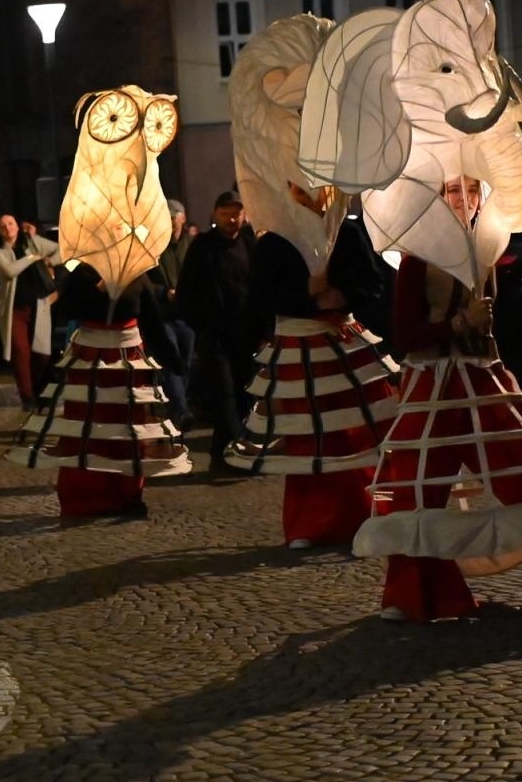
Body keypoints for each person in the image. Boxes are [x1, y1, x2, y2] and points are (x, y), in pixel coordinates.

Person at [355, 175, 522, 622]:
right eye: (454, 192)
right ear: (438, 198)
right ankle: (414, 593)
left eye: (472, 191)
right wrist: (460, 323)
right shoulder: (419, 256)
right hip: (435, 389)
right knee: (419, 494)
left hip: (482, 380)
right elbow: (404, 335)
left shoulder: (484, 248)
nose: (465, 200)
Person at [228, 187, 399, 547]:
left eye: (315, 189)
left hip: (344, 343)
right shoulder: (276, 240)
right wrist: (307, 291)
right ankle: (310, 523)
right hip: (299, 346)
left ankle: (366, 510)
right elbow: (261, 298)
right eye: (299, 190)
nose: (308, 197)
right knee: (306, 436)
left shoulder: (347, 232)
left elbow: (374, 283)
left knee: (358, 430)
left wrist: (344, 294)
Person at [10, 262, 190, 516]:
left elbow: (152, 322)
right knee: (89, 430)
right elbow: (66, 309)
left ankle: (129, 495)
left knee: (128, 430)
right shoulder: (83, 273)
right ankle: (88, 498)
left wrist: (173, 362)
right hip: (90, 362)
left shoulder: (137, 275)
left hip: (128, 364)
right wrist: (98, 290)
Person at [179, 190, 259, 472]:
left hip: (246, 335)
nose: (232, 219)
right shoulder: (202, 247)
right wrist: (201, 325)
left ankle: (226, 452)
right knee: (224, 395)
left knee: (244, 395)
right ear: (215, 215)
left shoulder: (250, 245)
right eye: (226, 213)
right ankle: (231, 455)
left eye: (236, 213)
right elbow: (187, 291)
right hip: (215, 337)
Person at [0, 213, 61, 412]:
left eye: (10, 223)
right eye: (2, 225)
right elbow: (9, 271)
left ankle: (39, 392)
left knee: (42, 354)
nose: (7, 228)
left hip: (38, 305)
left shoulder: (31, 242)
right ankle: (27, 398)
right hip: (14, 309)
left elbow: (61, 250)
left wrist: (49, 262)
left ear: (18, 226)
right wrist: (32, 258)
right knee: (21, 353)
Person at [154, 199, 196, 428]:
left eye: (172, 217)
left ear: (182, 217)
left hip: (187, 314)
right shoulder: (155, 247)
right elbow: (147, 280)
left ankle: (176, 409)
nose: (169, 222)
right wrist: (163, 293)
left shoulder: (192, 245)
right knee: (171, 360)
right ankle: (181, 410)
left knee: (185, 363)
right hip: (164, 314)